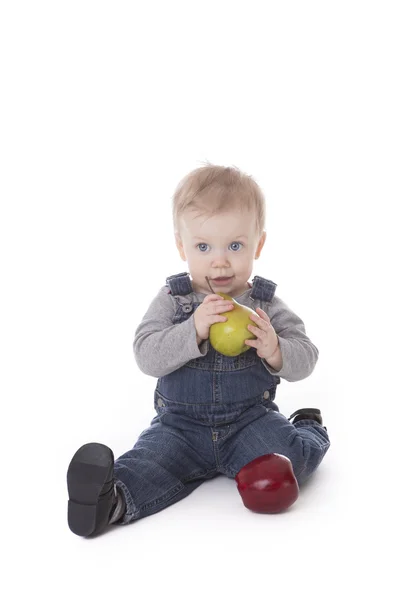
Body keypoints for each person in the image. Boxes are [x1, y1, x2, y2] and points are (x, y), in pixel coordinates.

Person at [67, 163, 330, 537]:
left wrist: (275, 349)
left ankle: (307, 426)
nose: (219, 261)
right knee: (149, 463)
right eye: (203, 246)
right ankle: (109, 502)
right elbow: (146, 354)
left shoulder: (264, 305)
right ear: (181, 246)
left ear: (259, 244)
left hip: (248, 422)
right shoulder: (175, 300)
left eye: (235, 246)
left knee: (294, 460)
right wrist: (193, 329)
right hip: (180, 427)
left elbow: (307, 356)